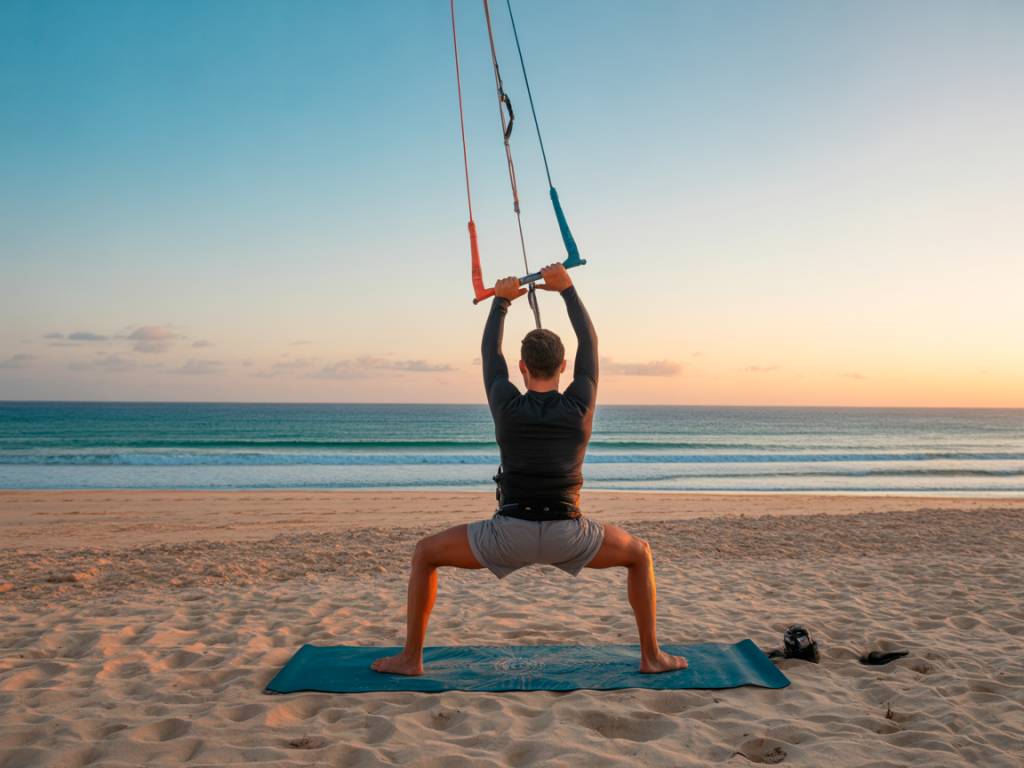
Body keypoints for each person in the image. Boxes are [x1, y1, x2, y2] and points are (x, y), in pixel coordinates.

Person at [371, 264, 686, 675]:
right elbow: (590, 342)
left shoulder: (506, 403)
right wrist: (567, 289)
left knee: (425, 554)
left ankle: (411, 658)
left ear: (522, 366)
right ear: (564, 367)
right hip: (569, 535)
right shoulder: (580, 404)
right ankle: (652, 656)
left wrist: (501, 301)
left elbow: (489, 355)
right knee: (640, 555)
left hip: (507, 535)